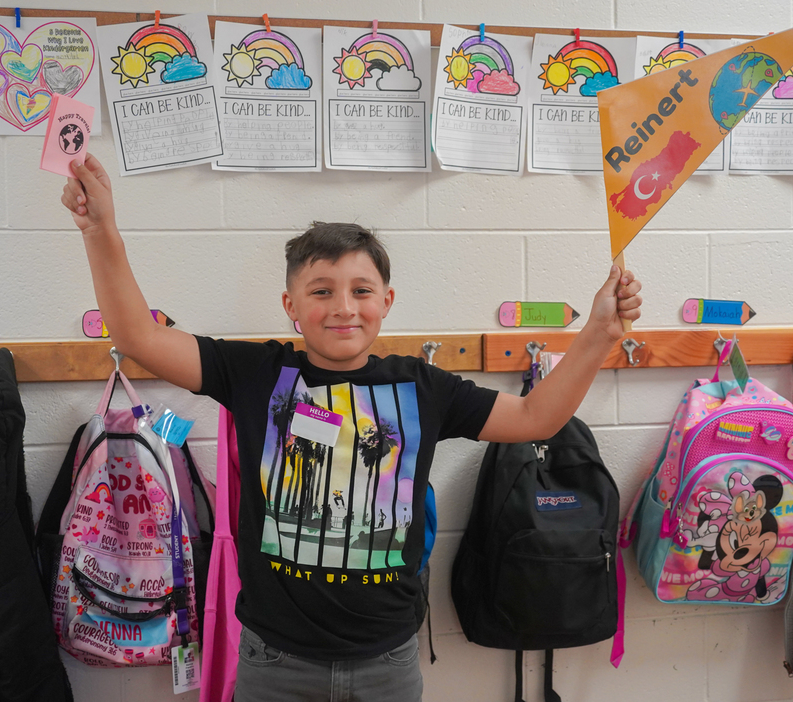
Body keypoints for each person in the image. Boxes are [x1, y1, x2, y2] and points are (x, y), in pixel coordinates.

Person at [61, 154, 642, 702]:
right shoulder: (256, 373)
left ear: (386, 302)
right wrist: (99, 230)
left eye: (361, 291)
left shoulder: (422, 386)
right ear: (291, 304)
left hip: (387, 662)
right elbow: (138, 336)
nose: (344, 307)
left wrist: (597, 335)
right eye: (321, 291)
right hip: (274, 663)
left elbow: (536, 417)